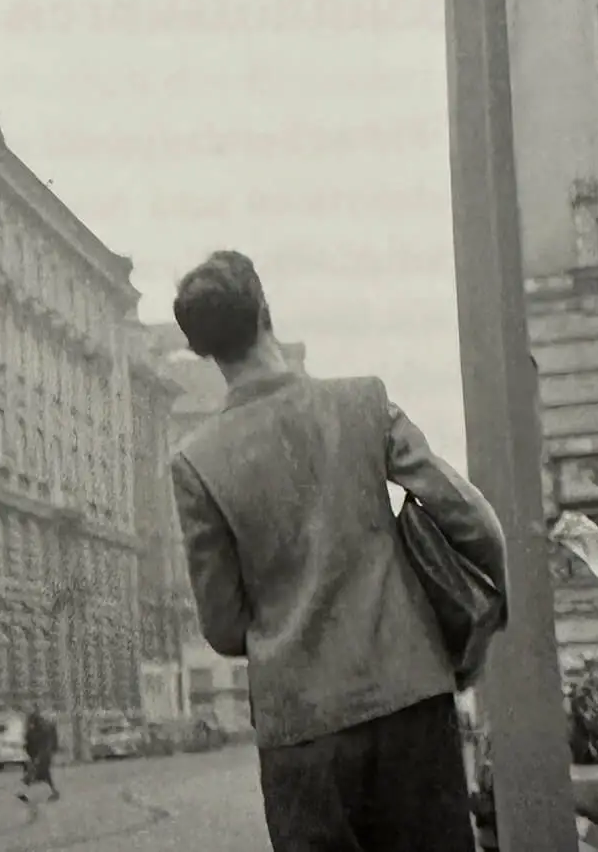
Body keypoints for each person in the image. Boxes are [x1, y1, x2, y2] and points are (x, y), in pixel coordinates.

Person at [167, 251, 506, 852]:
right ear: (266, 309)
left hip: (301, 731)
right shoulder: (363, 403)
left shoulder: (197, 461)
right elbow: (475, 522)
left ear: (203, 351)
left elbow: (222, 629)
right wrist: (477, 630)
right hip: (411, 696)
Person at [17, 709, 59, 804]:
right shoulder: (30, 733)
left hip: (42, 757)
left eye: (32, 723)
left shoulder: (43, 732)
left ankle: (24, 793)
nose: (30, 725)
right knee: (43, 776)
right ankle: (53, 792)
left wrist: (40, 757)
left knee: (33, 774)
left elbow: (45, 746)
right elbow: (29, 745)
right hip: (35, 757)